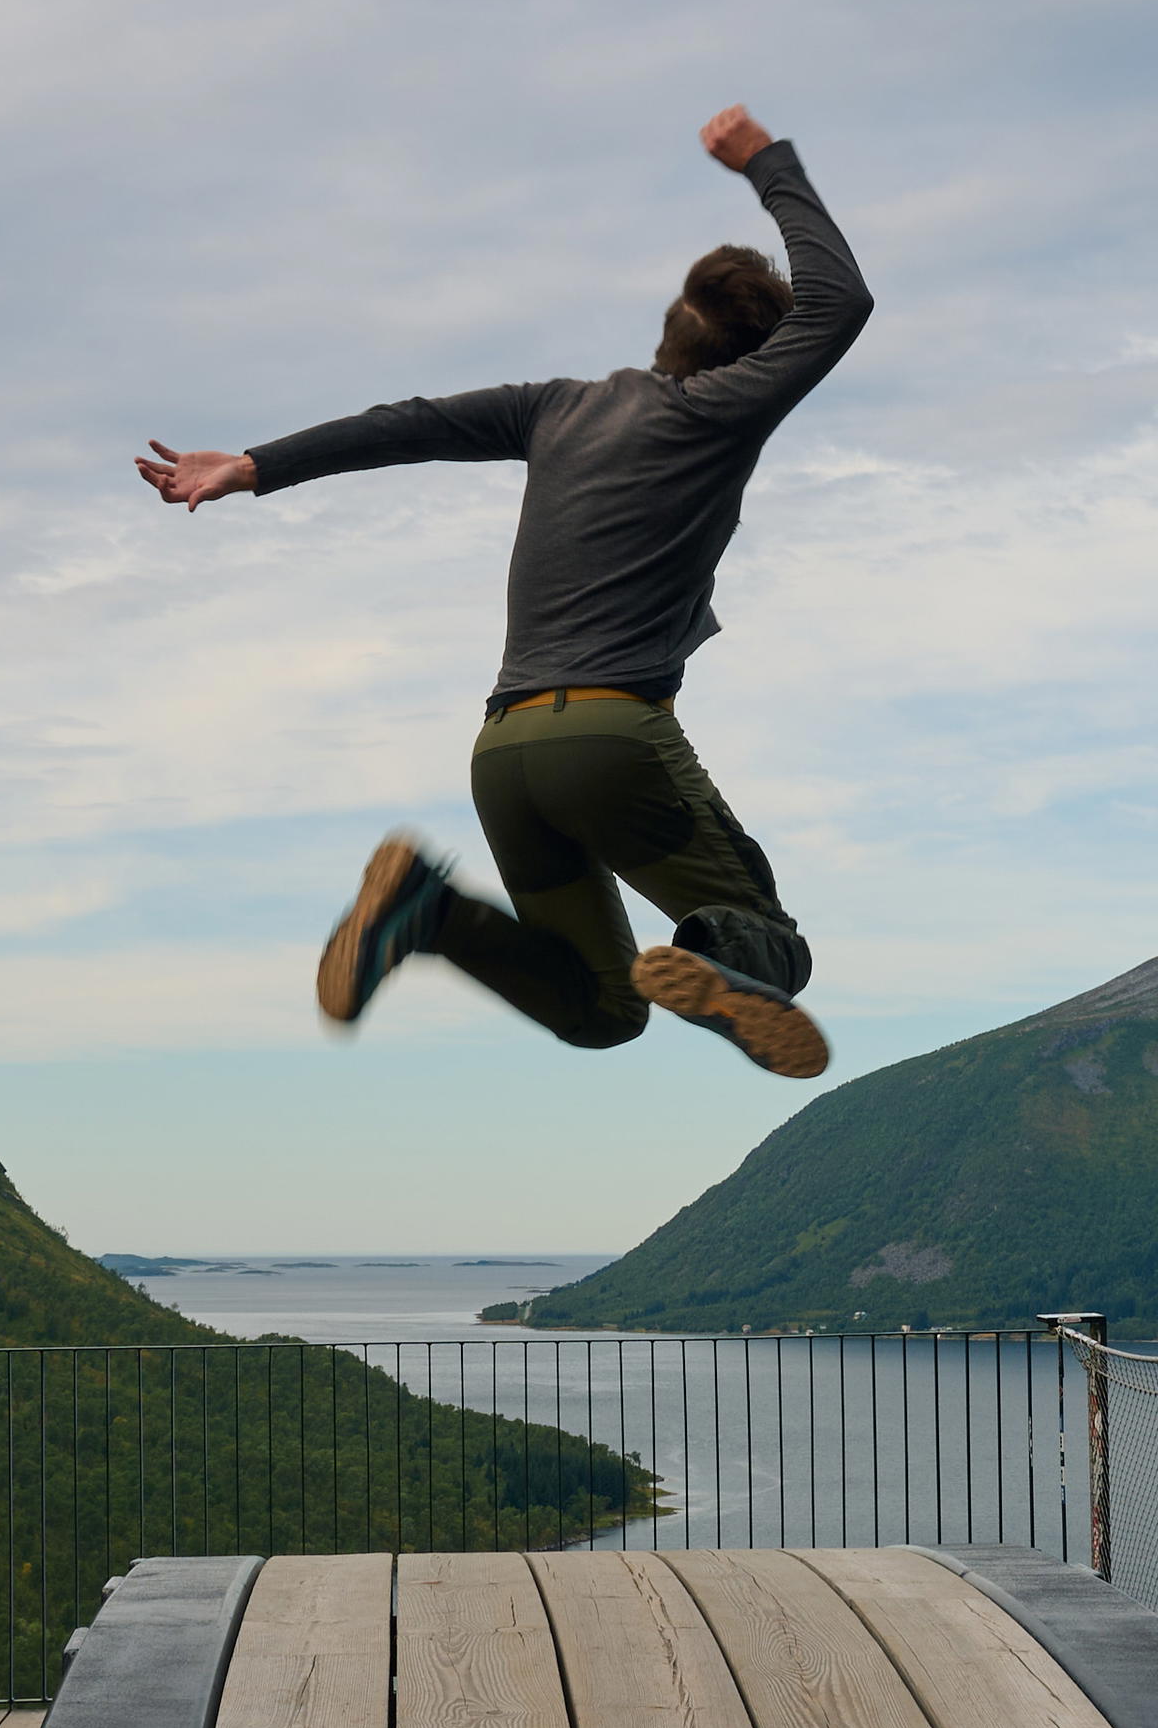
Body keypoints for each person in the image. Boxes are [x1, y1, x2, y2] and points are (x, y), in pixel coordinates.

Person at [133, 103, 867, 1080]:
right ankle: (712, 959)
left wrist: (254, 466)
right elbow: (838, 302)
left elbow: (408, 424)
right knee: (771, 943)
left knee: (601, 1012)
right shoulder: (724, 409)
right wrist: (765, 161)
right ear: (753, 363)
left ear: (669, 333)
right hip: (611, 742)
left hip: (505, 756)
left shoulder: (553, 409)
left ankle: (430, 910)